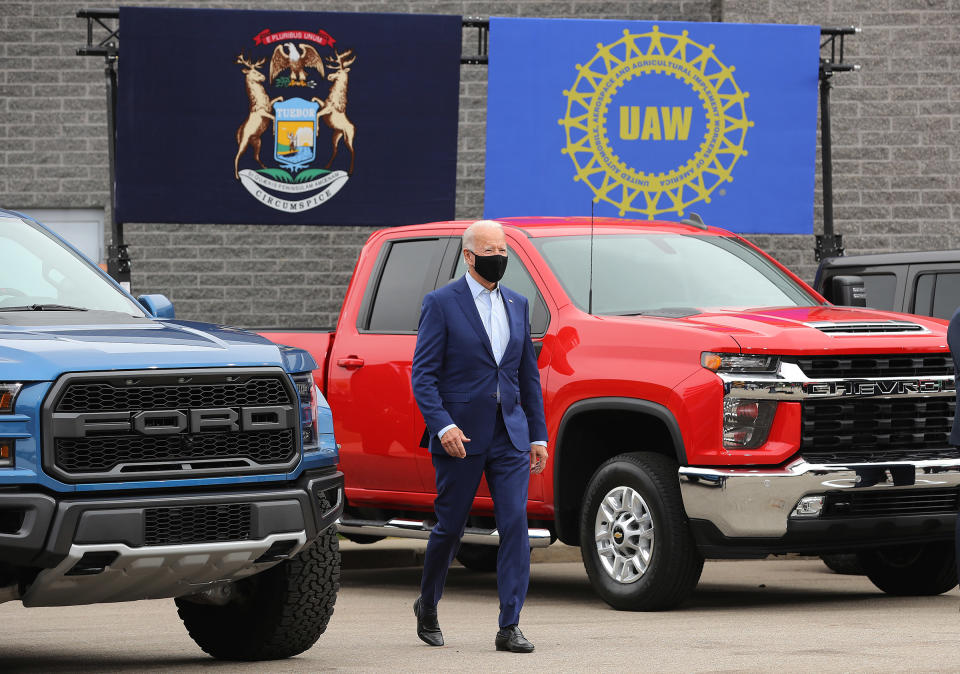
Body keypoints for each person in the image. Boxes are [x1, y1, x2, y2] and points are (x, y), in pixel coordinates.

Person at [411, 219, 549, 653]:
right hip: (461, 437)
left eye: (505, 250)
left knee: (515, 525)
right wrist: (444, 425)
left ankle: (510, 625)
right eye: (491, 250)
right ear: (469, 256)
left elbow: (527, 376)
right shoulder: (441, 303)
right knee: (450, 528)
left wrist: (538, 435)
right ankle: (428, 604)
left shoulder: (518, 303)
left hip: (510, 435)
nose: (501, 257)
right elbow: (423, 376)